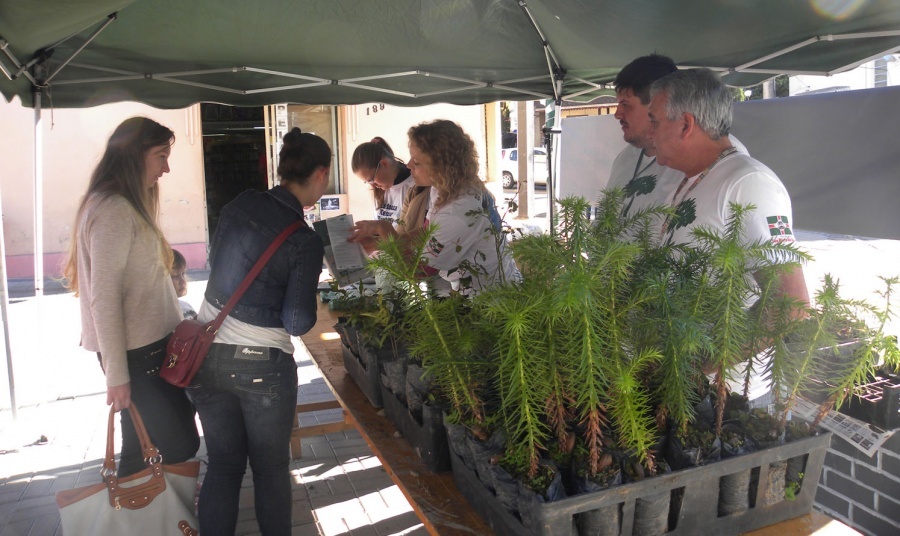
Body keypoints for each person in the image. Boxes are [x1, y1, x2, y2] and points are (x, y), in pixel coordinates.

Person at [186, 127, 329, 535]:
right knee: (269, 470)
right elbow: (297, 322)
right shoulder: (304, 240)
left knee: (223, 466)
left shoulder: (241, 203)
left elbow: (218, 266)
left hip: (208, 357)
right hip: (263, 367)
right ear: (321, 174)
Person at [646, 67, 811, 403]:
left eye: (655, 121)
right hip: (682, 386)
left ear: (685, 124)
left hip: (726, 398)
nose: (650, 133)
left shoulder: (748, 183)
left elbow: (789, 303)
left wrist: (701, 366)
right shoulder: (691, 178)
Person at [63, 117, 199, 477]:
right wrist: (117, 376)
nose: (166, 168)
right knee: (179, 444)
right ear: (134, 155)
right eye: (161, 156)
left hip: (144, 349)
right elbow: (104, 298)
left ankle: (133, 507)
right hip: (137, 354)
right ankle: (150, 506)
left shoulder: (120, 203)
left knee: (141, 447)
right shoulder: (114, 209)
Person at [348, 119, 520, 294]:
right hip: (477, 290)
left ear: (440, 167)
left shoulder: (457, 213)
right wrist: (380, 242)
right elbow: (426, 231)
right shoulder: (442, 188)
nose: (408, 165)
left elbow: (419, 271)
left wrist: (386, 232)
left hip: (492, 296)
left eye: (416, 162)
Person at [606, 54, 747, 231]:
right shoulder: (625, 158)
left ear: (656, 103)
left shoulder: (722, 163)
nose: (617, 114)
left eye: (626, 104)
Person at [351, 136, 416, 224]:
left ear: (384, 164)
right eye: (368, 182)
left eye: (372, 179)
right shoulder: (381, 189)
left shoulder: (414, 186)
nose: (373, 185)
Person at [170, 249, 197, 319]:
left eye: (183, 274)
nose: (183, 281)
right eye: (174, 275)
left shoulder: (186, 306)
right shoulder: (163, 315)